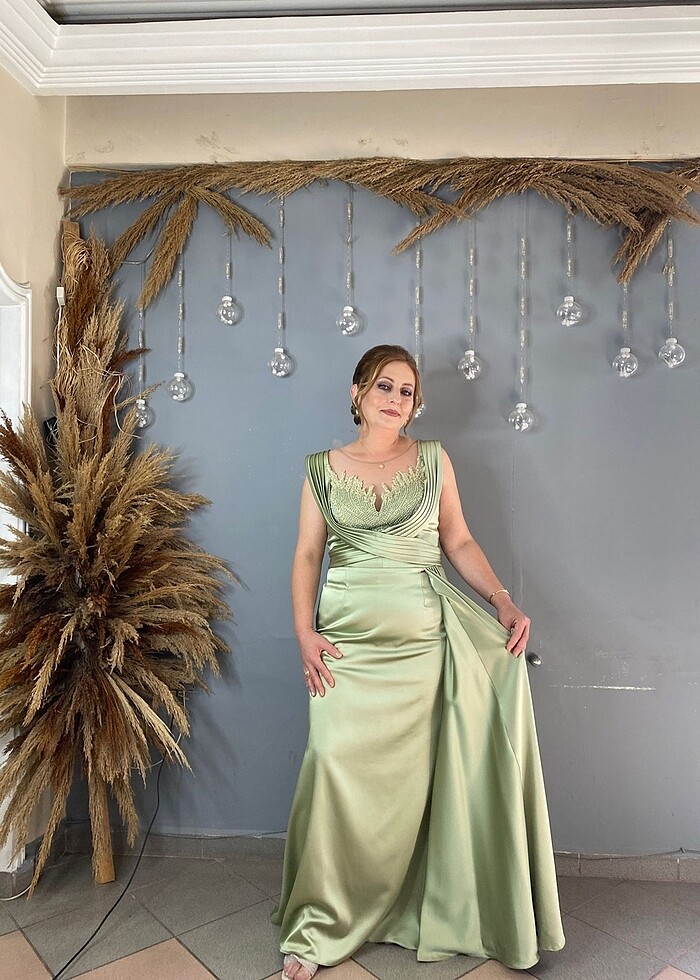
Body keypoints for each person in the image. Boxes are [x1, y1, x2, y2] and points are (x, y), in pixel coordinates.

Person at [271, 345, 565, 980]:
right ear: (357, 393)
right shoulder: (320, 469)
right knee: (333, 767)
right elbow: (307, 555)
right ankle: (321, 921)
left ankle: (415, 906)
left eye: (406, 391)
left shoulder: (433, 459)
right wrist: (303, 632)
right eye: (384, 385)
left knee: (414, 785)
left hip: (422, 644)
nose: (396, 399)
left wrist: (502, 600)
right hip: (345, 646)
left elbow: (457, 539)